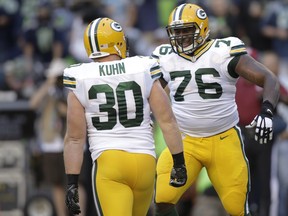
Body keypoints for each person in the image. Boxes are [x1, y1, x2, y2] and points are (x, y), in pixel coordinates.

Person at [151, 3, 280, 216]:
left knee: (236, 209)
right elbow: (148, 90)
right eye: (176, 32)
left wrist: (266, 111)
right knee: (163, 200)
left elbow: (269, 78)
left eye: (186, 30)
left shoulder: (222, 51)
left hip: (224, 139)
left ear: (202, 29)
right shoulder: (165, 57)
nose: (181, 37)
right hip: (185, 142)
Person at [63, 17, 187, 216]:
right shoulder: (142, 67)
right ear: (117, 42)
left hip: (110, 162)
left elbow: (75, 138)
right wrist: (179, 162)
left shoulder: (80, 76)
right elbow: (167, 121)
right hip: (145, 161)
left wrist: (72, 182)